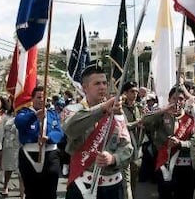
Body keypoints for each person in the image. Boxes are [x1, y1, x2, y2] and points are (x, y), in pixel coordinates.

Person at [63, 61, 133, 199]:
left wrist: (113, 158)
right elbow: (70, 129)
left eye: (104, 83)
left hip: (112, 186)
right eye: (97, 84)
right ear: (85, 87)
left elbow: (127, 147)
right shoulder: (72, 110)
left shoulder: (118, 113)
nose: (102, 87)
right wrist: (102, 109)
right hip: (82, 183)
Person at [141, 86, 195, 199]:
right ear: (169, 99)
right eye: (174, 98)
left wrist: (180, 143)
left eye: (181, 99)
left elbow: (194, 143)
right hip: (164, 164)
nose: (177, 102)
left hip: (184, 168)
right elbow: (145, 121)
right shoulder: (161, 116)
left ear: (185, 101)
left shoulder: (190, 120)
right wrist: (164, 110)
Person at [15, 86, 64, 199]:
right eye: (38, 97)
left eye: (44, 97)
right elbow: (20, 123)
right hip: (29, 154)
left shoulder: (52, 114)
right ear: (32, 99)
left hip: (50, 154)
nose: (42, 100)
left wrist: (49, 138)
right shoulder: (24, 112)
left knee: (50, 192)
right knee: (32, 193)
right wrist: (35, 115)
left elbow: (59, 132)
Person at [121, 81, 143, 199]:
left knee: (134, 182)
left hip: (137, 151)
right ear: (125, 93)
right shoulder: (120, 108)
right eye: (132, 91)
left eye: (136, 91)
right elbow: (122, 126)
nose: (135, 94)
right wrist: (137, 123)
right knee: (125, 183)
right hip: (124, 149)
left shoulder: (139, 107)